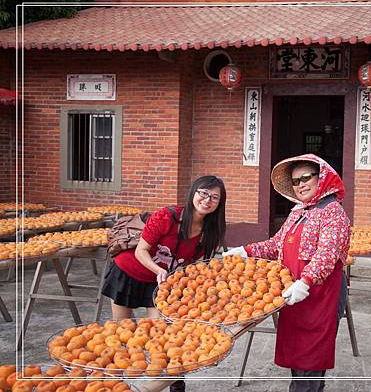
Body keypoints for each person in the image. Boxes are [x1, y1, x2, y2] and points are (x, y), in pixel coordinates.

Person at [225, 153, 351, 392]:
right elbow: (276, 245)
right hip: (294, 294)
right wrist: (247, 251)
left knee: (311, 357)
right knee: (298, 355)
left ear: (321, 178)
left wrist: (306, 281)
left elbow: (326, 254)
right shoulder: (298, 212)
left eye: (306, 177)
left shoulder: (333, 212)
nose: (301, 184)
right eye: (295, 181)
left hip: (319, 294)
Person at [101, 175, 227, 320]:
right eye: (203, 193)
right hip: (129, 270)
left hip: (159, 281)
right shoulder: (166, 217)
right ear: (193, 192)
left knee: (159, 327)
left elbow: (194, 267)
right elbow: (140, 251)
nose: (207, 200)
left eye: (214, 197)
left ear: (219, 203)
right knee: (123, 329)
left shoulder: (209, 232)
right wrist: (159, 270)